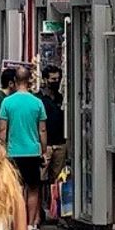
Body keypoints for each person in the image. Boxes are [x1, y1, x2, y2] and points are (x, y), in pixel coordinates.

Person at [0, 65, 48, 230]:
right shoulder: (37, 103)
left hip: (13, 151)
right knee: (33, 188)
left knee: (15, 189)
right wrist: (44, 150)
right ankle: (31, 224)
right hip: (32, 151)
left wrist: (2, 149)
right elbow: (42, 130)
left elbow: (3, 129)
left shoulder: (7, 102)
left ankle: (14, 225)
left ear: (15, 81)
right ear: (30, 81)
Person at [39, 66, 68, 221]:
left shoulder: (62, 98)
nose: (55, 82)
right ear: (45, 79)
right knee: (41, 179)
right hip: (46, 144)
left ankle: (56, 210)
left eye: (57, 79)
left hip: (60, 143)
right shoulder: (39, 99)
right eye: (52, 79)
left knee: (57, 179)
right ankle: (41, 210)